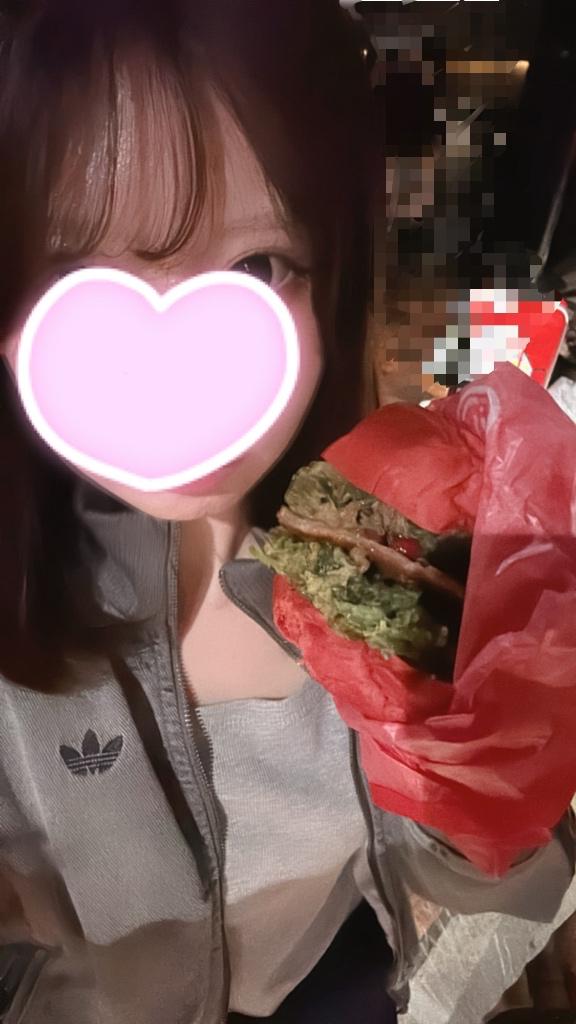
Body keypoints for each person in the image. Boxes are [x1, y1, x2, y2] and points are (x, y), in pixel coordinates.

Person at [0, 3, 574, 1023]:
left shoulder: (414, 555)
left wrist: (494, 800)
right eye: (79, 275)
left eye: (259, 267)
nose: (178, 376)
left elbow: (473, 908)